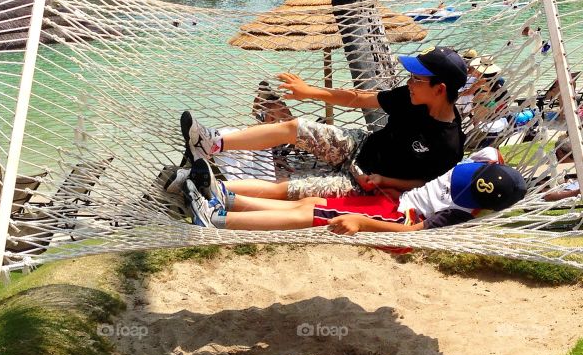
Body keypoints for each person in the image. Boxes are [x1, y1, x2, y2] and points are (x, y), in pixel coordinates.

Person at [179, 47, 468, 201]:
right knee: (296, 128)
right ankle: (213, 142)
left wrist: (384, 181)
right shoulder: (411, 97)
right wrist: (310, 92)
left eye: (416, 78)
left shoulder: (449, 144)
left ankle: (210, 187)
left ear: (440, 89)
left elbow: (426, 184)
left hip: (365, 182)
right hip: (358, 144)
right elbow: (359, 98)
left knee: (292, 189)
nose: (409, 82)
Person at [186, 151, 526, 234]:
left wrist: (363, 223)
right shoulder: (485, 162)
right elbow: (494, 154)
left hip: (395, 220)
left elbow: (414, 234)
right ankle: (229, 199)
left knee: (308, 215)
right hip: (392, 199)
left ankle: (216, 219)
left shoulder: (462, 213)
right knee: (311, 201)